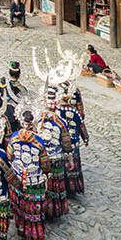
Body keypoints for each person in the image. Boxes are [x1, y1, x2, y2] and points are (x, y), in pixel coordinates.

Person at [8, 110, 50, 240]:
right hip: (34, 180)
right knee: (33, 208)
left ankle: (21, 229)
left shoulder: (14, 137)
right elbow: (45, 164)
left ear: (21, 122)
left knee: (20, 206)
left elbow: (10, 156)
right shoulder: (39, 142)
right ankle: (32, 234)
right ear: (32, 123)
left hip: (18, 177)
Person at [38, 87, 72, 221]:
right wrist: (69, 158)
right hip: (56, 158)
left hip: (42, 159)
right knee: (54, 185)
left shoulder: (38, 120)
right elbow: (66, 144)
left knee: (43, 186)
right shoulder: (61, 123)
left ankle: (42, 210)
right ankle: (53, 212)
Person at [57, 84, 88, 197]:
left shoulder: (56, 111)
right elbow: (81, 122)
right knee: (72, 164)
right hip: (73, 141)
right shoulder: (74, 111)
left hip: (61, 143)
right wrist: (85, 137)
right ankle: (72, 188)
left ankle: (63, 186)